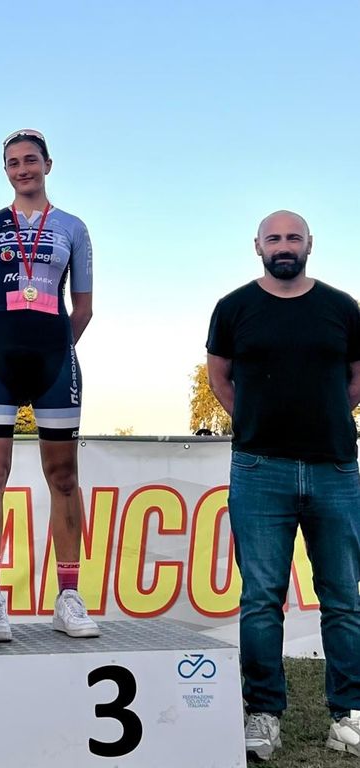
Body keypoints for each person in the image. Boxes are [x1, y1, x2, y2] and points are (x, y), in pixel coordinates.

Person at [207, 210, 360, 760]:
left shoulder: (342, 308)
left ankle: (349, 716)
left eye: (293, 237)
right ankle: (264, 712)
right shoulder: (233, 308)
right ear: (258, 247)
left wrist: (324, 417)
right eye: (274, 238)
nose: (284, 246)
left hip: (334, 468)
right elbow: (219, 376)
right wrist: (256, 421)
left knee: (343, 599)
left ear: (310, 244)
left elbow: (356, 378)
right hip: (258, 468)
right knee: (261, 599)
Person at [0, 129, 96, 642]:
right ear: (6, 170)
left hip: (54, 359)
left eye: (30, 160)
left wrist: (54, 346)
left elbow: (83, 306)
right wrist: (1, 342)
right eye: (13, 163)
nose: (23, 169)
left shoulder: (73, 227)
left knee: (63, 477)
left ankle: (68, 596)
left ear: (48, 164)